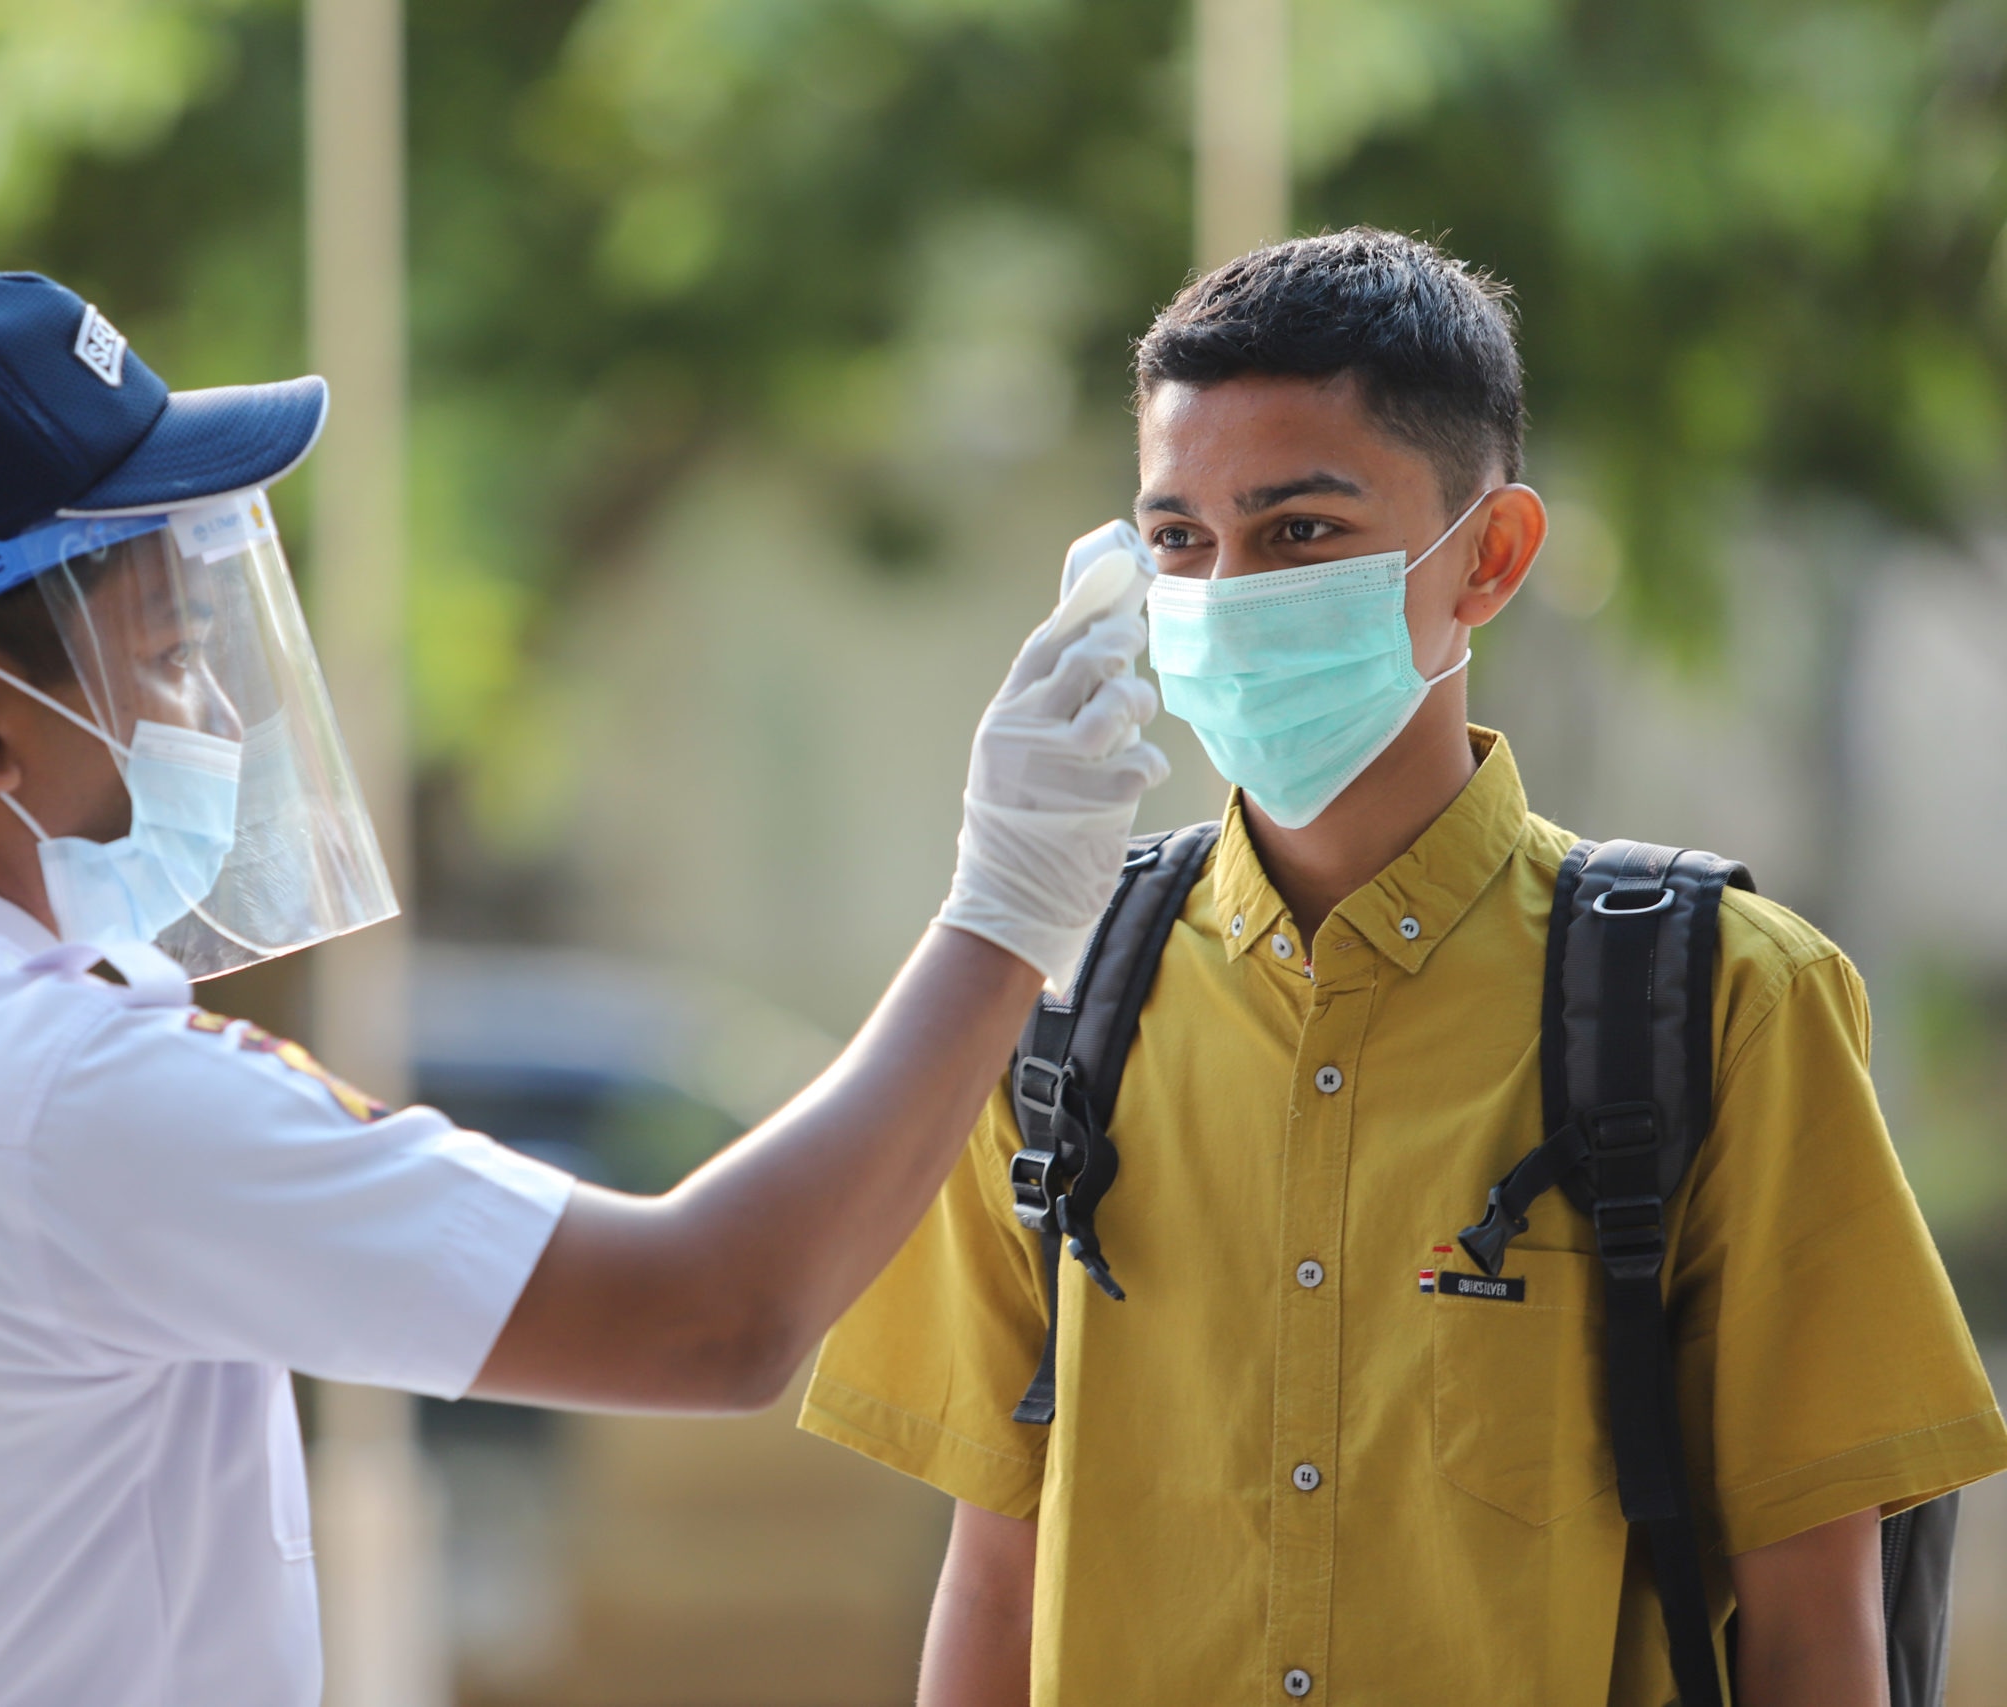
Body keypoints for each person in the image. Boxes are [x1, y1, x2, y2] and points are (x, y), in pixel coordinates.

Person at [0, 269, 1175, 1707]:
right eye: (160, 650)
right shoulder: (69, 1097)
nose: (203, 703)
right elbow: (715, 1314)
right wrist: (1009, 901)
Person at [800, 229, 2007, 1707]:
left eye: (1301, 532)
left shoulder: (1722, 1002)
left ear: (1489, 558)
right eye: (1179, 539)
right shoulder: (1049, 1002)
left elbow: (1818, 1622)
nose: (1229, 592)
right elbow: (995, 1579)